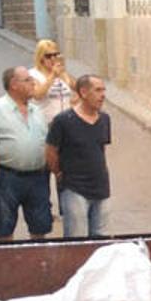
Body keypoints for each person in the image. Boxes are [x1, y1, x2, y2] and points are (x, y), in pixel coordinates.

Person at [0, 66, 51, 242]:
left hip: (38, 176)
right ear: (13, 84)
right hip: (7, 176)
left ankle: (37, 261)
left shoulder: (37, 111)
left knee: (40, 224)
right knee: (4, 225)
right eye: (27, 80)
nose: (33, 83)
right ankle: (7, 263)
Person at [46, 74, 111, 238]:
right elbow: (51, 151)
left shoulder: (104, 119)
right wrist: (58, 173)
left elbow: (101, 149)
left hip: (101, 188)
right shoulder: (63, 121)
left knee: (100, 238)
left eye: (103, 90)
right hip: (74, 189)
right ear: (83, 92)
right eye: (97, 90)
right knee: (77, 238)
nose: (102, 95)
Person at [30, 38, 74, 123]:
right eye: (48, 56)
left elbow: (77, 88)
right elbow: (38, 95)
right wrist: (53, 75)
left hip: (66, 122)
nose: (53, 58)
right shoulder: (33, 74)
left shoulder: (61, 73)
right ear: (41, 58)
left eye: (56, 55)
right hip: (45, 122)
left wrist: (63, 73)